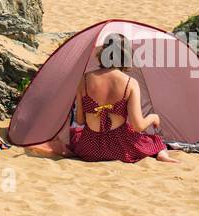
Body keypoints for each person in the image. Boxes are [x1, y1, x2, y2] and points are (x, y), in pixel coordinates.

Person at [69, 34, 178, 163]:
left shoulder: (84, 80)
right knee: (155, 141)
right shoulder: (130, 83)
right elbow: (138, 126)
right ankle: (162, 155)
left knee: (74, 134)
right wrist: (153, 117)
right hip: (120, 148)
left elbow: (80, 120)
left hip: (89, 148)